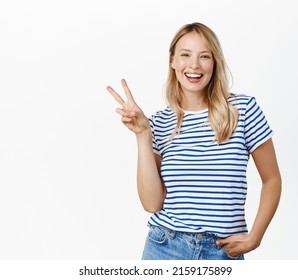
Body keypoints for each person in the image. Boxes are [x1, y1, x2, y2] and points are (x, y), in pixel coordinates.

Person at [107, 22, 281, 260]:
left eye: (204, 56)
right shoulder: (159, 122)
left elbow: (272, 179)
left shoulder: (243, 110)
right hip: (164, 247)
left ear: (215, 62)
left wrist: (255, 237)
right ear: (173, 61)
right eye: (185, 55)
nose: (194, 65)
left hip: (221, 251)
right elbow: (151, 203)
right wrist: (142, 135)